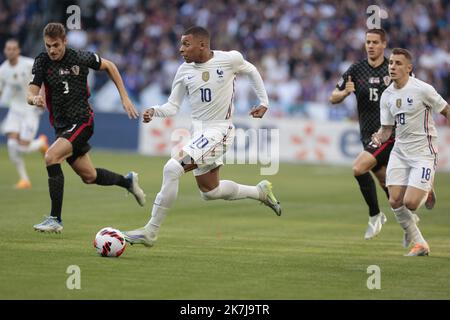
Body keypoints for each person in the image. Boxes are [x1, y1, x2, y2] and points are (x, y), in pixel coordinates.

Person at [123, 26, 281, 247]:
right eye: (181, 44)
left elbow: (252, 70)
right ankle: (259, 192)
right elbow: (172, 105)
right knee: (210, 191)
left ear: (202, 45)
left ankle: (150, 231)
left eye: (185, 44)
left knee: (172, 168)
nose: (181, 49)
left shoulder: (229, 59)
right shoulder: (183, 71)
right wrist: (155, 110)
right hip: (199, 134)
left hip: (220, 131)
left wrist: (264, 102)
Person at [27, 22, 146, 233]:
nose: (52, 50)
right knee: (89, 176)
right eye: (48, 46)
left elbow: (110, 66)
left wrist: (124, 97)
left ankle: (55, 219)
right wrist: (34, 99)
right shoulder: (42, 61)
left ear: (65, 41)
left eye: (56, 45)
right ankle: (127, 181)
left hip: (82, 121)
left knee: (51, 157)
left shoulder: (80, 57)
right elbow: (31, 91)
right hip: (62, 127)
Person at [329, 28, 434, 240]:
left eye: (375, 42)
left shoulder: (393, 67)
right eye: (368, 41)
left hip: (390, 134)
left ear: (384, 45)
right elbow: (333, 97)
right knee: (389, 187)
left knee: (359, 168)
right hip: (368, 135)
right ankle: (412, 221)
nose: (370, 45)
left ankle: (376, 216)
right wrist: (345, 92)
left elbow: (414, 90)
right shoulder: (356, 70)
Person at [372, 48, 449, 256]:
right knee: (395, 200)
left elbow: (446, 110)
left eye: (398, 63)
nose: (393, 67)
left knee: (411, 203)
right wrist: (379, 136)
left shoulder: (423, 89)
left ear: (409, 67)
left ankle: (427, 187)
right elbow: (387, 129)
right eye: (391, 63)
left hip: (424, 151)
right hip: (400, 151)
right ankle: (420, 244)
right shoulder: (387, 95)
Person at [0, 39, 49, 189]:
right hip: (16, 109)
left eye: (14, 49)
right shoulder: (3, 70)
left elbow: (44, 79)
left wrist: (43, 98)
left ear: (19, 51)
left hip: (31, 108)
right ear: (5, 51)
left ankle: (41, 143)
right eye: (8, 49)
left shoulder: (29, 64)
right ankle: (24, 180)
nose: (11, 51)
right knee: (11, 144)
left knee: (22, 148)